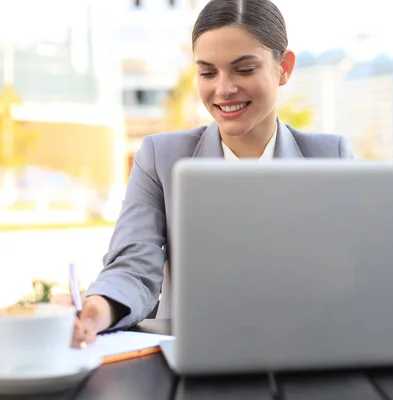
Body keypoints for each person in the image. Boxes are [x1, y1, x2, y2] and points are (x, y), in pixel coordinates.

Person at [53, 0, 353, 348]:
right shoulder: (160, 158)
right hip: (196, 353)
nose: (223, 89)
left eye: (244, 70)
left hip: (306, 351)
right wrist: (97, 309)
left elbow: (351, 275)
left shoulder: (331, 157)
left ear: (283, 68)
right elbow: (134, 265)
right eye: (208, 73)